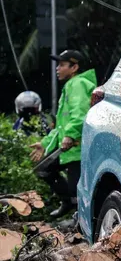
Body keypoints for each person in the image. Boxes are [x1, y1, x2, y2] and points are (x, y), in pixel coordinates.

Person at [30, 50, 97, 217]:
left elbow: (80, 115)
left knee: (77, 191)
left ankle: (78, 224)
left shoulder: (78, 84)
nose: (57, 69)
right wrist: (44, 143)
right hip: (69, 147)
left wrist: (71, 135)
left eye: (61, 65)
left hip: (76, 148)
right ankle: (68, 204)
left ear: (74, 67)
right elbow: (61, 125)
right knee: (43, 169)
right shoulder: (72, 85)